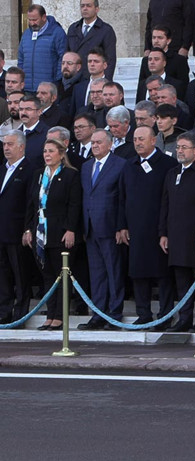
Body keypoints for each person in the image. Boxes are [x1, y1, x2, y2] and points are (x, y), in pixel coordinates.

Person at [117, 126, 178, 329]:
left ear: (154, 140)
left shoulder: (168, 164)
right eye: (135, 139)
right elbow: (121, 198)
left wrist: (166, 230)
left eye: (142, 139)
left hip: (159, 228)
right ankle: (143, 314)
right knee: (138, 272)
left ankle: (165, 315)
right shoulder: (129, 165)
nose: (138, 143)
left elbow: (170, 199)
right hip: (135, 229)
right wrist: (122, 226)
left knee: (162, 275)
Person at [159, 132, 195, 333]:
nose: (180, 151)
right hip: (175, 236)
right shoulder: (172, 173)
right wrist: (163, 233)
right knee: (181, 281)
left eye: (184, 147)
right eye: (178, 147)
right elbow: (165, 204)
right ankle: (184, 318)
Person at [23, 139, 81, 331]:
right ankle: (50, 314)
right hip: (41, 231)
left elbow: (74, 205)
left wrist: (70, 229)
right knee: (47, 275)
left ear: (61, 153)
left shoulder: (70, 175)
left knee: (61, 274)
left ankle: (59, 315)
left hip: (60, 231)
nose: (47, 154)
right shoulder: (39, 174)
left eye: (51, 151)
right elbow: (32, 204)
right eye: (45, 151)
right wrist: (28, 229)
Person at [76, 129, 126, 331]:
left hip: (110, 226)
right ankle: (98, 314)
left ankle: (114, 314)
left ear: (110, 144)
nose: (95, 145)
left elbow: (122, 198)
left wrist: (120, 226)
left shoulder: (120, 165)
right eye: (93, 142)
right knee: (96, 274)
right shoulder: (86, 166)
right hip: (90, 227)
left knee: (113, 272)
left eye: (98, 142)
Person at [0, 132, 35, 325]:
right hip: (1, 231)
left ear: (21, 147)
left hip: (17, 232)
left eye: (10, 144)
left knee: (20, 274)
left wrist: (28, 228)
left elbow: (30, 202)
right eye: (5, 144)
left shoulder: (29, 170)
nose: (6, 148)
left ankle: (21, 311)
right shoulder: (2, 169)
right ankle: (4, 310)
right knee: (3, 273)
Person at [17, 4, 67, 93]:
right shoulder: (26, 34)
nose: (32, 23)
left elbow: (62, 58)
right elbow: (21, 58)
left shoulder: (57, 33)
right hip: (27, 88)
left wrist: (57, 80)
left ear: (44, 17)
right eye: (30, 20)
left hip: (47, 89)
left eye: (35, 20)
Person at [66, 0, 117, 80]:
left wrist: (105, 81)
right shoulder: (73, 28)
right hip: (74, 79)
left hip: (94, 79)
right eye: (82, 6)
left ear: (97, 9)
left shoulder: (106, 30)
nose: (85, 9)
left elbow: (110, 60)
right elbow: (67, 54)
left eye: (88, 6)